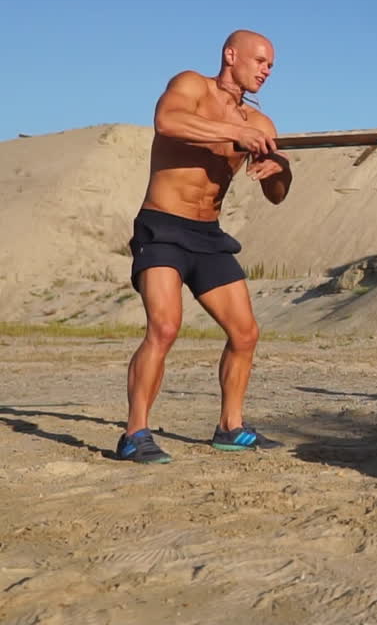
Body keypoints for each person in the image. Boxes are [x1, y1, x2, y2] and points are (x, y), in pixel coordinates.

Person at [116, 30, 292, 464]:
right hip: (162, 226)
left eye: (271, 65)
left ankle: (230, 427)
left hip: (208, 235)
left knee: (245, 332)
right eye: (260, 60)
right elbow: (167, 122)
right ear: (231, 55)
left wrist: (276, 168)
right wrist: (235, 132)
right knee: (164, 326)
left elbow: (278, 193)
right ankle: (134, 432)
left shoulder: (261, 125)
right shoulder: (192, 85)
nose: (266, 70)